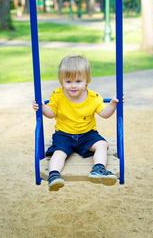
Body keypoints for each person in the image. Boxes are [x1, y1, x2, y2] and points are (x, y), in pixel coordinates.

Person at [33, 55, 124, 191]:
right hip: (64, 134)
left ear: (87, 81)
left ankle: (98, 169)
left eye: (78, 81)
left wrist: (113, 104)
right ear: (61, 81)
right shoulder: (58, 95)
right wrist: (42, 108)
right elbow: (51, 113)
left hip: (87, 134)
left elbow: (105, 114)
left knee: (102, 144)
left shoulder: (93, 97)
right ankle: (54, 175)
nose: (73, 85)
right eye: (68, 81)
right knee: (59, 152)